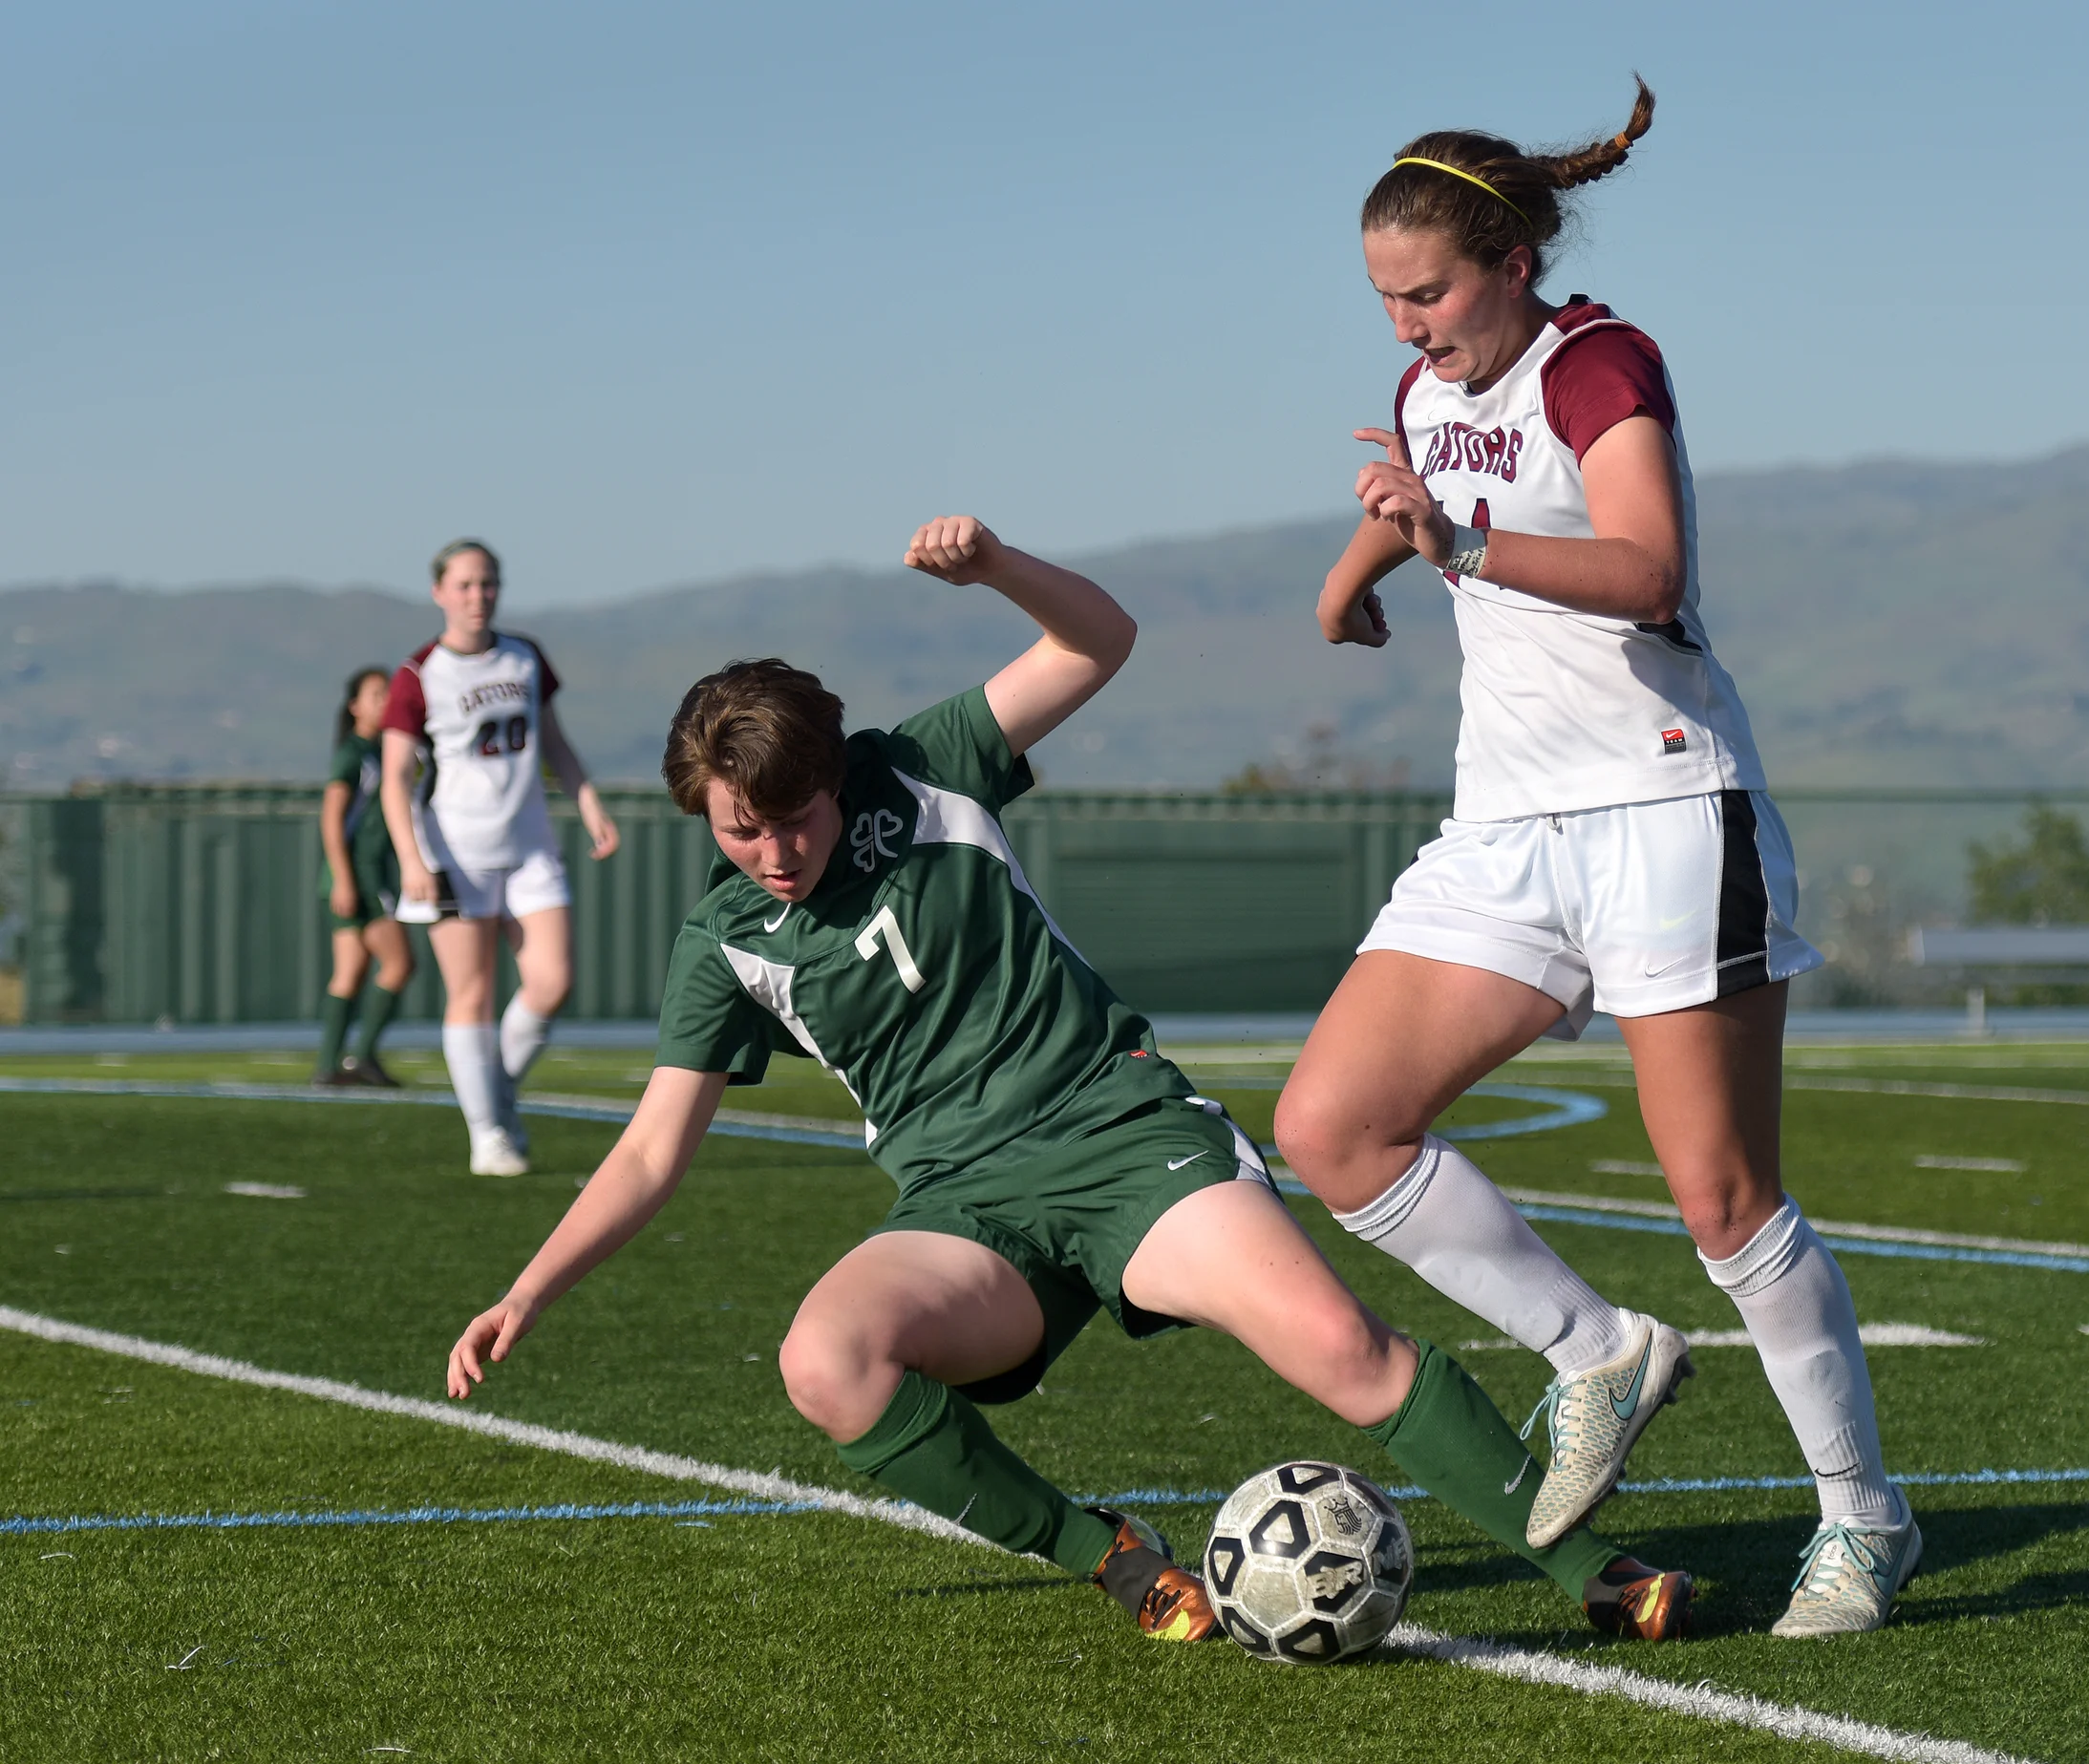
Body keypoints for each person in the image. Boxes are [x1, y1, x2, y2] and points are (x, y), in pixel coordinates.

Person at [445, 517, 1694, 1645]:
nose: (776, 851)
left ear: (834, 778)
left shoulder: (920, 767)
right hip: (960, 1206)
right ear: (700, 814)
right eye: (739, 828)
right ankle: (1104, 1551)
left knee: (1336, 1341)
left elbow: (1100, 640)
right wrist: (530, 1286)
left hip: (1117, 1130)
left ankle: (1586, 1563)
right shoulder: (723, 939)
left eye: (797, 817)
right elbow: (655, 1148)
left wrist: (995, 568)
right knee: (828, 1358)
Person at [1273, 82, 1918, 1639]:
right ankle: (1594, 1353)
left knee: (1721, 1195)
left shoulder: (1598, 363)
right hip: (1505, 827)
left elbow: (1647, 568)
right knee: (1333, 1125)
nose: (1409, 324)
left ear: (1506, 258)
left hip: (1666, 809)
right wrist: (1353, 577)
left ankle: (1865, 1522)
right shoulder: (1431, 386)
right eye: (1385, 300)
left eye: (1427, 292)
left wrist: (1455, 547)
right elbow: (1425, 490)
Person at [380, 540, 619, 1176]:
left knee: (553, 980)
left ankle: (497, 1093)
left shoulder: (525, 655)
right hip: (457, 851)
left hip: (530, 846)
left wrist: (589, 803)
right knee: (473, 993)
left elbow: (555, 743)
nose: (477, 595)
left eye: (487, 583)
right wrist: (411, 857)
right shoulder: (417, 676)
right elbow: (395, 776)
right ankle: (488, 1132)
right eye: (463, 585)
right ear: (439, 593)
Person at [313, 666, 414, 1087]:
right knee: (400, 963)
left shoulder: (384, 752)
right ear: (354, 706)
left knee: (350, 972)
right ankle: (362, 1056)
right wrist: (345, 878)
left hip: (358, 876)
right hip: (362, 876)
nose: (385, 701)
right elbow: (332, 819)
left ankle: (327, 1069)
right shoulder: (356, 755)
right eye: (375, 694)